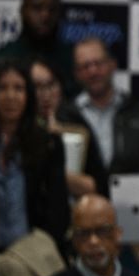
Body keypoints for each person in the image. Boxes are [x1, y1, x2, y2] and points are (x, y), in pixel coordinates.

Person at [0, 59, 68, 256]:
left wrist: (44, 251)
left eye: (18, 88)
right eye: (2, 88)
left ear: (29, 95)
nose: (10, 96)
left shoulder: (48, 144)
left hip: (32, 256)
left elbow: (58, 209)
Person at [73, 37, 139, 174]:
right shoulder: (66, 115)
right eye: (85, 66)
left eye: (98, 63)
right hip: (82, 194)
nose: (93, 71)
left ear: (113, 64)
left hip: (132, 192)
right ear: (76, 74)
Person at [31, 56, 108, 197]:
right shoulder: (12, 128)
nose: (45, 95)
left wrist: (54, 169)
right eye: (37, 87)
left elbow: (99, 185)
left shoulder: (76, 124)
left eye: (51, 85)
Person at [0, 0, 74, 95]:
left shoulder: (73, 58)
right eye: (37, 8)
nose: (45, 15)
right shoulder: (3, 59)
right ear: (23, 12)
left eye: (52, 9)